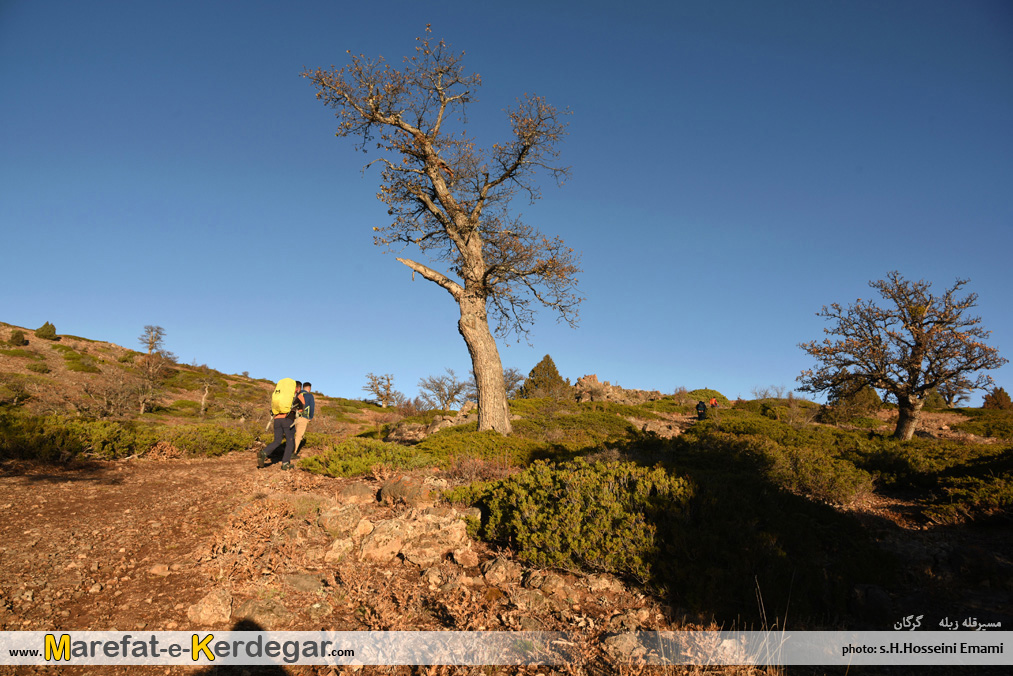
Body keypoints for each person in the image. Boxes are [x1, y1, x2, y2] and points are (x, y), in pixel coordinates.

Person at [258, 383, 301, 470]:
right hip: (288, 420)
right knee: (290, 441)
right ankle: (285, 463)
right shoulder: (297, 395)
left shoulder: (282, 395)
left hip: (277, 419)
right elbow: (302, 408)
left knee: (277, 440)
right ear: (297, 388)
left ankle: (264, 453)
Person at [293, 381, 315, 456]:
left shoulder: (297, 394)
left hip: (293, 416)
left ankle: (286, 450)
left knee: (291, 434)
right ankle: (293, 452)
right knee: (299, 435)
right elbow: (312, 407)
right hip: (303, 417)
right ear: (309, 388)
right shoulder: (310, 396)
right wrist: (310, 417)